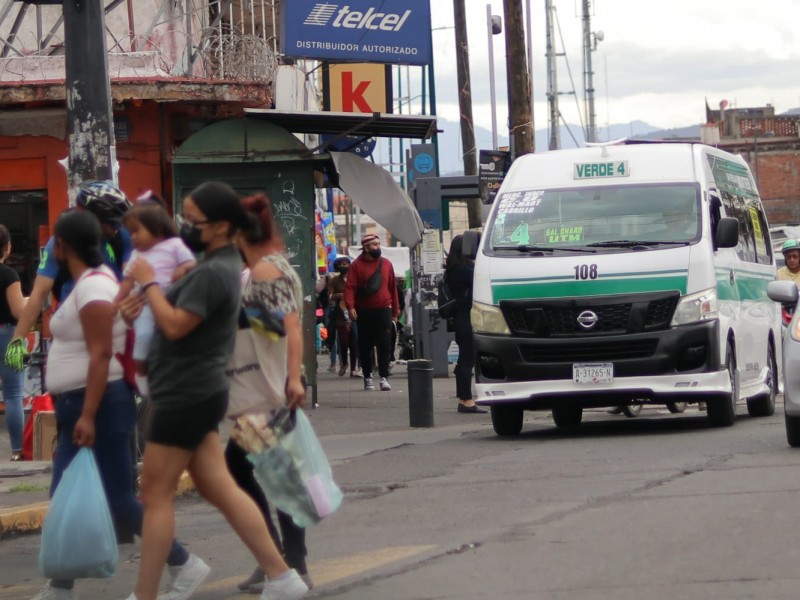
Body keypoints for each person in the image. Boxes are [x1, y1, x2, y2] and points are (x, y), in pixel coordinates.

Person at [120, 181, 308, 600]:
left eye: (192, 219)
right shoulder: (213, 268)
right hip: (194, 389)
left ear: (221, 227)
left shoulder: (219, 272)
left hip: (186, 392)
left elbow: (174, 325)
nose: (183, 226)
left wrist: (149, 284)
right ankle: (283, 576)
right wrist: (146, 300)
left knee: (154, 492)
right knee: (218, 484)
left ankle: (146, 593)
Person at [30, 211, 202, 600]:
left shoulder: (93, 288)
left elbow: (101, 352)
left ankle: (183, 563)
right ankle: (60, 585)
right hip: (83, 404)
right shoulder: (87, 284)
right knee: (66, 493)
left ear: (62, 246)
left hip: (100, 404)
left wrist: (88, 414)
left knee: (118, 497)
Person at [224, 192, 312, 594]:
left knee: (263, 474)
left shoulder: (265, 271)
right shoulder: (264, 268)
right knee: (266, 473)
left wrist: (293, 379)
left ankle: (284, 562)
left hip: (268, 392)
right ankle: (280, 560)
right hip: (268, 388)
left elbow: (286, 327)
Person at [5, 180, 133, 371]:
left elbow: (132, 283)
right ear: (93, 221)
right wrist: (18, 339)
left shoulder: (123, 237)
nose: (116, 228)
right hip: (71, 328)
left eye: (119, 223)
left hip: (113, 326)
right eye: (112, 223)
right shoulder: (61, 240)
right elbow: (39, 293)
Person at [114, 201, 196, 398]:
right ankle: (142, 374)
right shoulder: (136, 255)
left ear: (157, 228)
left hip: (171, 301)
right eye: (130, 232)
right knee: (142, 338)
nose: (132, 237)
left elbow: (192, 263)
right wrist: (115, 303)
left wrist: (182, 269)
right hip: (145, 305)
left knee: (167, 338)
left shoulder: (174, 245)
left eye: (136, 231)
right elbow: (127, 281)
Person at [344, 234, 399, 392]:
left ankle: (384, 377)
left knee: (384, 343)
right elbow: (350, 288)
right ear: (366, 247)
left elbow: (392, 288)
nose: (378, 247)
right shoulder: (356, 266)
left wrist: (395, 311)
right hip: (364, 311)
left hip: (383, 309)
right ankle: (368, 377)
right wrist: (350, 307)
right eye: (374, 245)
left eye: (379, 244)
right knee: (365, 344)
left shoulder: (387, 264)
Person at [446, 235, 486, 414]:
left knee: (464, 359)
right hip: (468, 317)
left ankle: (464, 396)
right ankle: (466, 400)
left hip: (460, 318)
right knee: (467, 360)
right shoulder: (465, 269)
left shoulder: (452, 269)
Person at [0, 225, 27, 460]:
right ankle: (17, 451)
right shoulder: (9, 275)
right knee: (12, 393)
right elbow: (19, 311)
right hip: (8, 336)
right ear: (7, 247)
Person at [328, 256, 360, 377]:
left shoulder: (354, 279)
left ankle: (353, 368)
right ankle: (344, 363)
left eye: (347, 264)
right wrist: (339, 295)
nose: (344, 267)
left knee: (354, 341)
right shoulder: (334, 280)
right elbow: (329, 296)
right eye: (342, 265)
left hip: (354, 313)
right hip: (340, 315)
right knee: (344, 341)